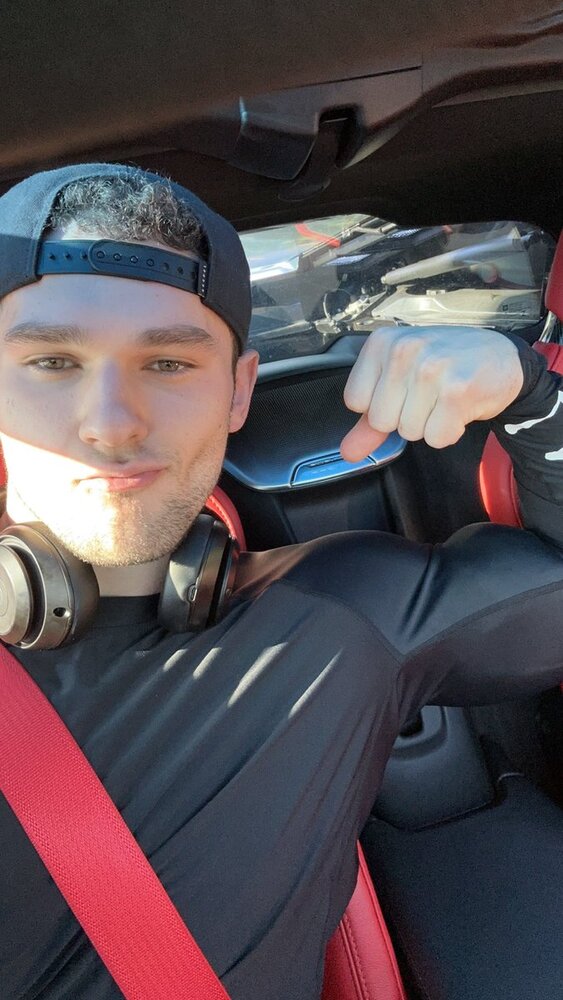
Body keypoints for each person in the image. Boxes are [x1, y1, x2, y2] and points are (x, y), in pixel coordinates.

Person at [0, 162, 562, 1000]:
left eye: (168, 363)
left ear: (238, 392)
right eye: (51, 360)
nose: (110, 423)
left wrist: (532, 394)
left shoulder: (337, 617)